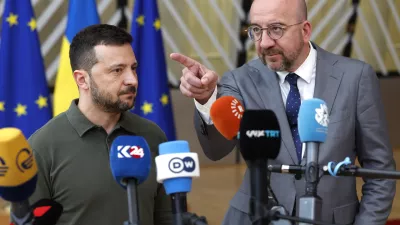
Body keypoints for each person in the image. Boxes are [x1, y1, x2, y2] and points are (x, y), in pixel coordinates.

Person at [170, 0, 396, 224]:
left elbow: (379, 172)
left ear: (305, 30)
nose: (264, 42)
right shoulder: (239, 80)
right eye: (256, 30)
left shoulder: (355, 78)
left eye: (276, 29)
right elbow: (217, 149)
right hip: (255, 218)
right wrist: (206, 99)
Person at [24, 24, 172, 225]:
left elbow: (167, 218)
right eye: (117, 70)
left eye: (133, 68)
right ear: (82, 80)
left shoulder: (152, 136)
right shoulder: (41, 147)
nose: (132, 80)